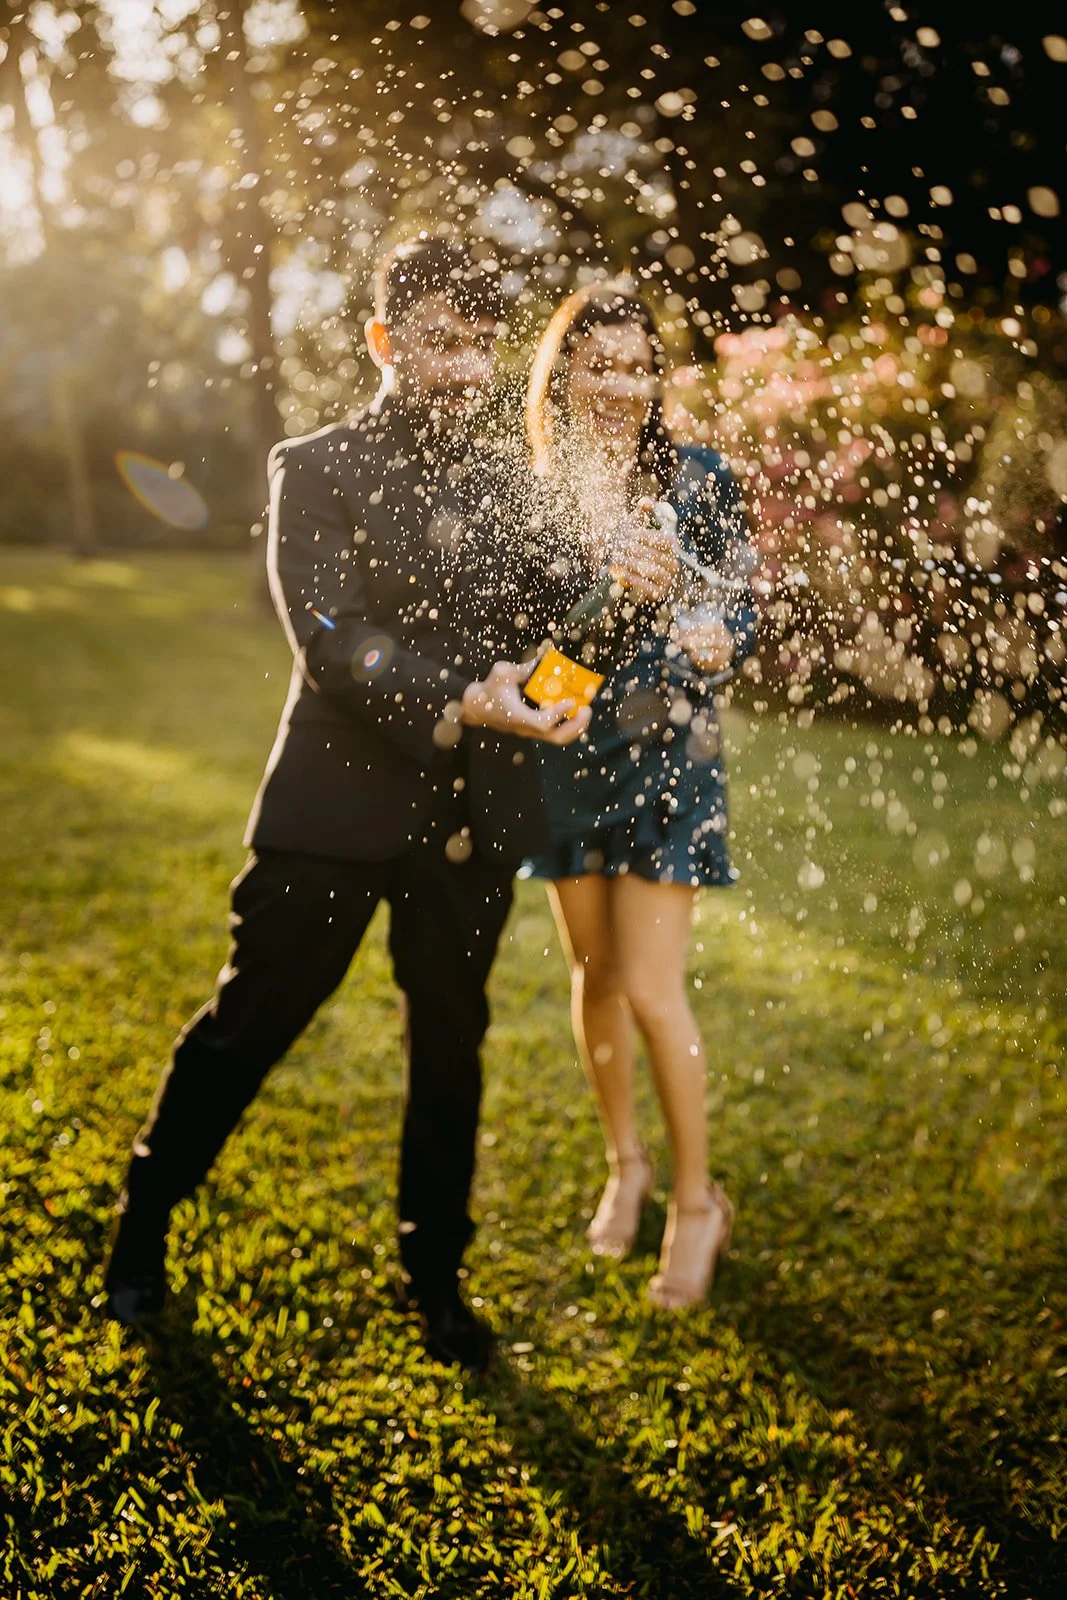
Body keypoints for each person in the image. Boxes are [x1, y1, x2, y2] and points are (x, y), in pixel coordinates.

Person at [102, 240, 679, 1371]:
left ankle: (436, 1273)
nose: (465, 368)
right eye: (439, 342)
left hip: (469, 819)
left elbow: (556, 657)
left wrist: (618, 610)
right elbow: (327, 641)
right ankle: (144, 1221)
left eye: (478, 344)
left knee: (450, 1043)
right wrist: (467, 697)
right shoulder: (314, 466)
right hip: (332, 811)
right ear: (384, 341)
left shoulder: (519, 486)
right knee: (253, 1021)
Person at [523, 279, 757, 1309]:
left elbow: (736, 605)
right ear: (564, 371)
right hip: (567, 756)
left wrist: (720, 637)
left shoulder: (698, 479)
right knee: (594, 973)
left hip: (669, 755)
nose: (621, 384)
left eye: (637, 364)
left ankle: (698, 1199)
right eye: (600, 363)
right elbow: (542, 675)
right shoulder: (532, 487)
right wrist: (608, 601)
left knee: (655, 990)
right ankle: (626, 1161)